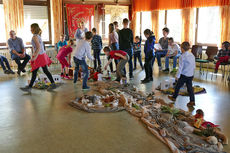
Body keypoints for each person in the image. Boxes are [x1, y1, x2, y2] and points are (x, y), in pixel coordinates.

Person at [20, 23, 56, 92]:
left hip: (39, 56)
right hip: (41, 55)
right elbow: (40, 47)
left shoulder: (35, 37)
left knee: (35, 71)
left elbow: (38, 47)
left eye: (31, 28)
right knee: (44, 70)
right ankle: (52, 83)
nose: (30, 29)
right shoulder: (37, 36)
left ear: (33, 29)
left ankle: (29, 87)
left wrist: (34, 57)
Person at [168, 42, 195, 107]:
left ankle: (174, 97)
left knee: (177, 86)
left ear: (182, 49)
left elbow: (180, 68)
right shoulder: (192, 55)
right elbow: (194, 66)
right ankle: (192, 101)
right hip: (190, 75)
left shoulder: (182, 56)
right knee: (190, 88)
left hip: (184, 75)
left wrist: (177, 76)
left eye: (180, 48)